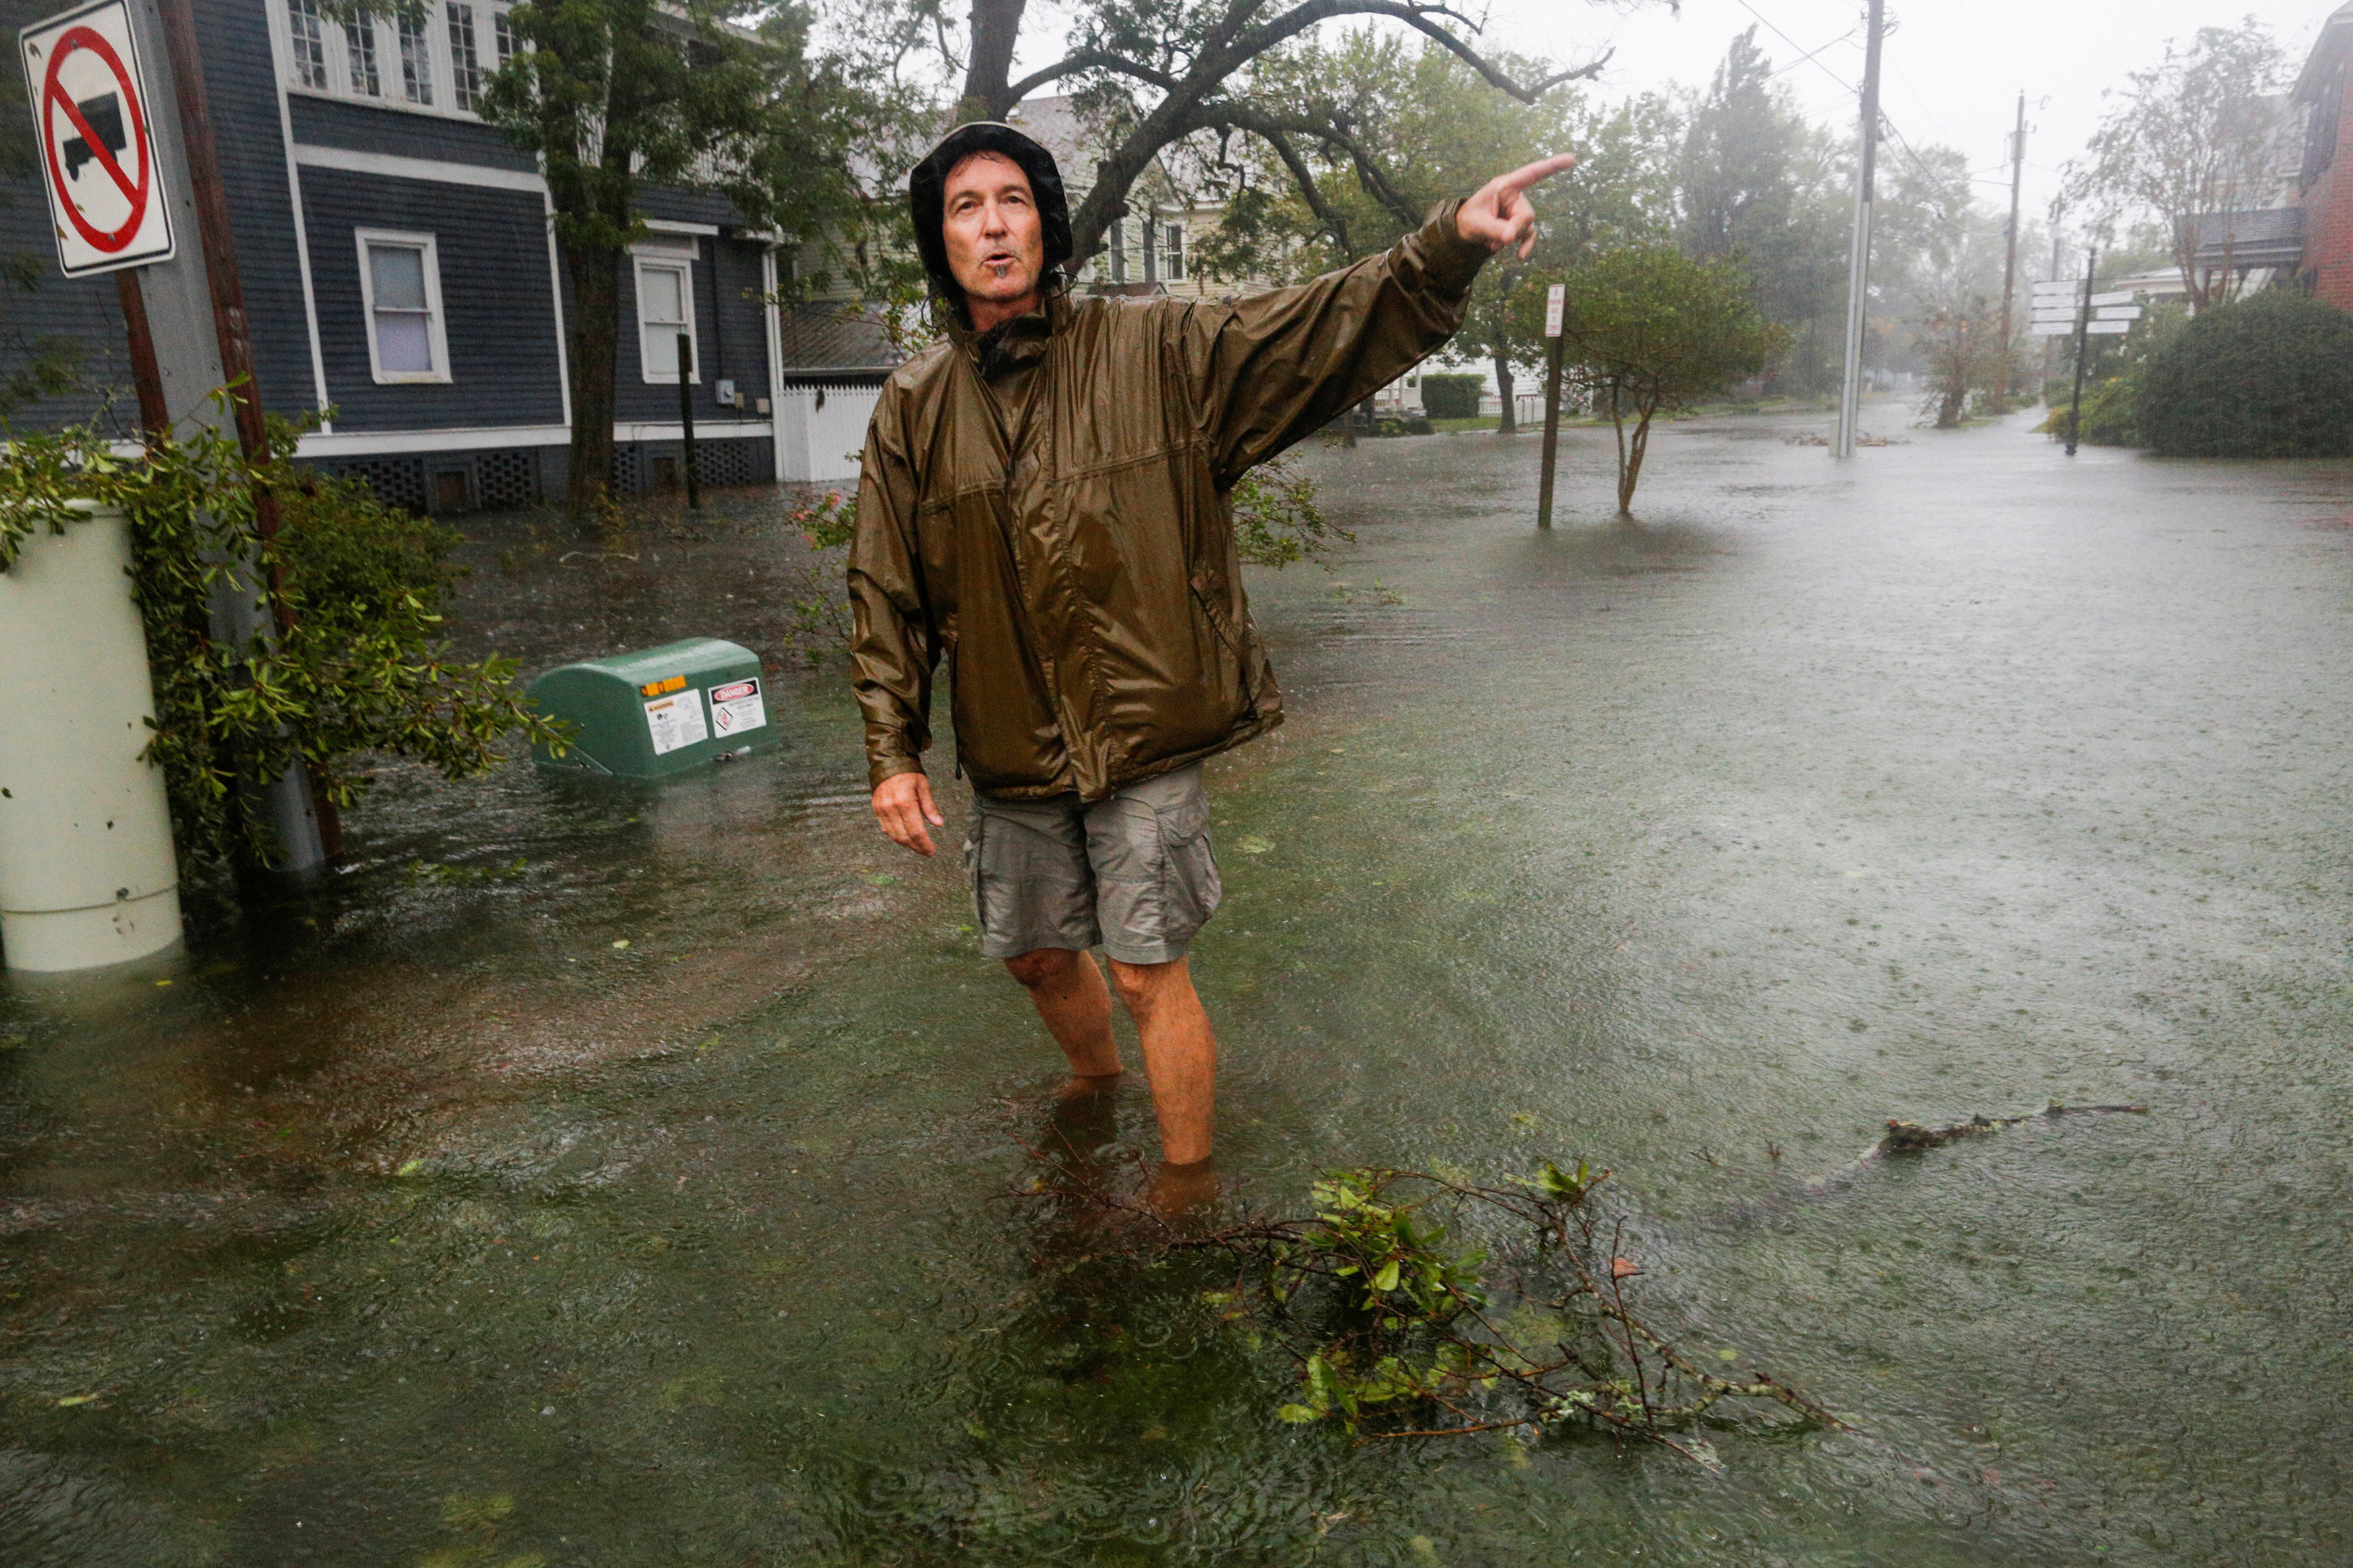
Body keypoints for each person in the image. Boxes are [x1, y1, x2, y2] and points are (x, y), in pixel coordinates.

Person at [850, 120, 1573, 1192]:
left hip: (1146, 726)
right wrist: (892, 748)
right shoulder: (913, 407)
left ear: (1045, 226)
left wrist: (1447, 245)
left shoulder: (1156, 350)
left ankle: (1187, 1189)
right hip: (1010, 741)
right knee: (1038, 956)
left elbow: (1315, 328)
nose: (994, 225)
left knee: (1147, 971)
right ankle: (1097, 1088)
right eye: (966, 207)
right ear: (940, 241)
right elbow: (886, 585)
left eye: (1012, 201)